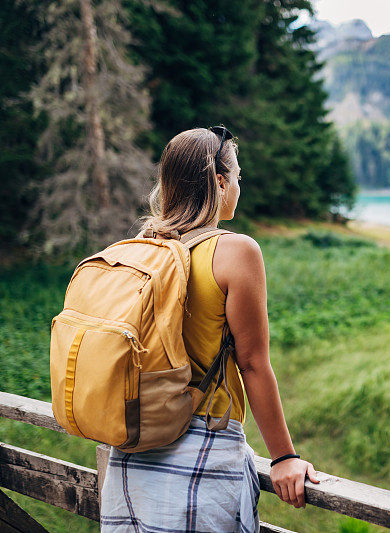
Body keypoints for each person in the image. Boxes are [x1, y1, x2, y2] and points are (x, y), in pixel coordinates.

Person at [99, 127, 319, 532]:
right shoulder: (235, 251)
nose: (240, 185)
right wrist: (285, 457)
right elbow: (252, 363)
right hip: (203, 451)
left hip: (130, 458)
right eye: (237, 176)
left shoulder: (141, 247)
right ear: (219, 182)